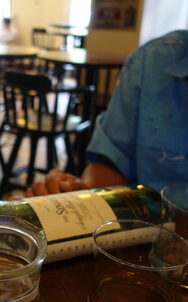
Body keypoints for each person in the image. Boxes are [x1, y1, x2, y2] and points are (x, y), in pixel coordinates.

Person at [25, 30, 188, 197]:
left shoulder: (150, 60)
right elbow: (113, 161)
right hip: (134, 210)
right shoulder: (151, 60)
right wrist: (82, 193)